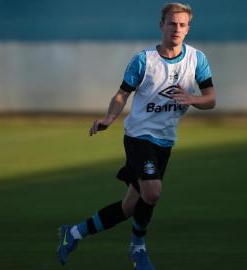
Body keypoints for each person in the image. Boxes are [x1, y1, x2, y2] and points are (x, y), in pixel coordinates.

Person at [58, 3, 216, 269]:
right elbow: (122, 94)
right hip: (139, 136)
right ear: (161, 25)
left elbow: (211, 99)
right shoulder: (144, 60)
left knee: (130, 206)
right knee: (152, 193)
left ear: (188, 29)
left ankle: (73, 233)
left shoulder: (197, 59)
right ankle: (137, 248)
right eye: (171, 23)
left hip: (165, 141)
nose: (176, 29)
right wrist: (109, 118)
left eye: (182, 25)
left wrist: (192, 98)